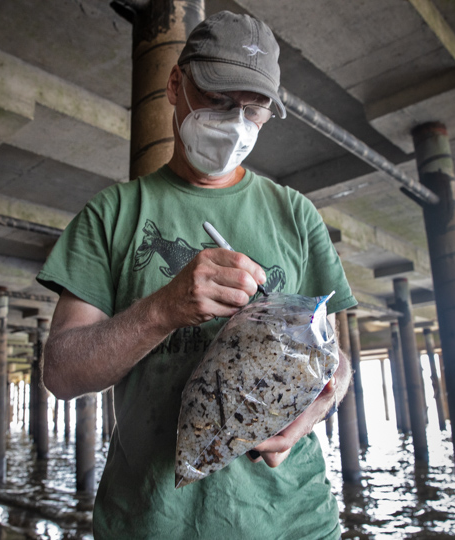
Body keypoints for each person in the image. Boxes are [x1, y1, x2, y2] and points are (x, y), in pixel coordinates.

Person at [37, 10, 357, 539]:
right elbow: (61, 373)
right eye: (219, 100)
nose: (235, 124)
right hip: (151, 521)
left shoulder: (297, 215)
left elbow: (335, 359)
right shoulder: (112, 214)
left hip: (294, 522)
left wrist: (317, 408)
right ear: (175, 85)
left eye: (253, 111)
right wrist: (163, 308)